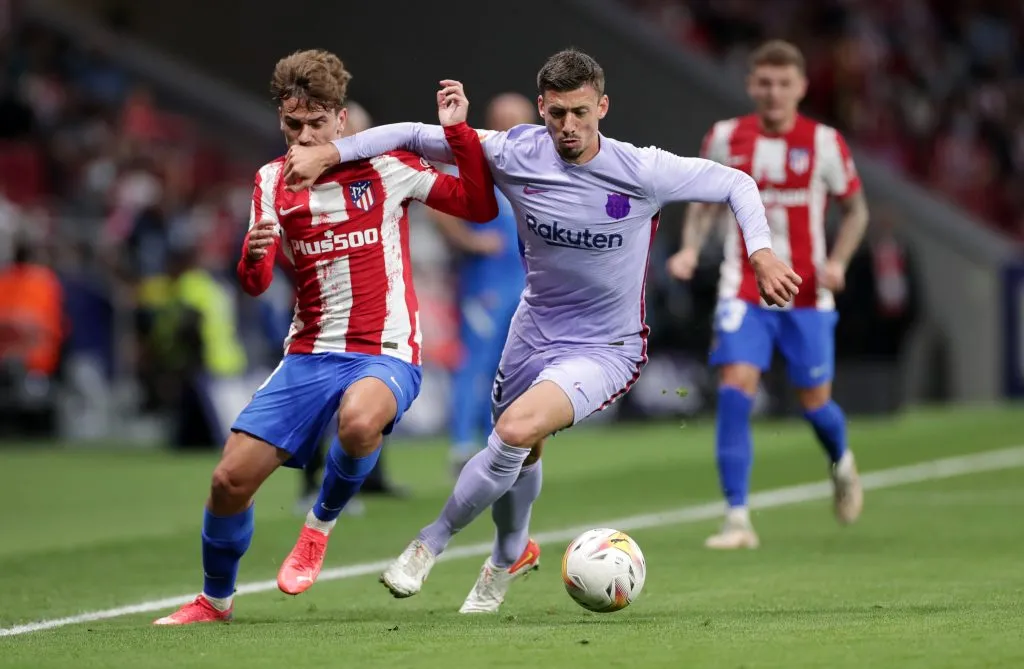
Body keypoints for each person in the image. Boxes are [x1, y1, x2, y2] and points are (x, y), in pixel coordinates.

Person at [283, 48, 799, 614]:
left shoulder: (642, 169)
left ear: (602, 106)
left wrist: (763, 253)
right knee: (521, 449)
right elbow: (409, 133)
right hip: (532, 329)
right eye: (556, 114)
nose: (568, 127)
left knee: (512, 430)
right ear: (541, 109)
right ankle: (510, 554)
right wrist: (333, 151)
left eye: (580, 112)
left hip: (605, 346)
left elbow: (738, 184)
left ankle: (427, 545)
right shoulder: (515, 150)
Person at [153, 48, 498, 625]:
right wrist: (253, 256)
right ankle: (215, 600)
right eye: (295, 125)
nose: (306, 135)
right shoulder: (271, 181)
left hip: (384, 350)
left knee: (361, 421)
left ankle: (319, 526)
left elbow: (479, 205)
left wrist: (457, 132)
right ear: (282, 122)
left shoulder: (387, 168)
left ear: (342, 120)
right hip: (309, 352)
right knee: (228, 481)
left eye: (318, 123)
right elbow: (255, 283)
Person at [666, 40, 869, 550]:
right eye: (765, 82)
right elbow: (703, 202)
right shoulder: (727, 137)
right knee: (736, 388)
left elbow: (857, 210)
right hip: (745, 288)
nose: (774, 92)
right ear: (751, 85)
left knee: (814, 402)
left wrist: (839, 262)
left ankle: (841, 462)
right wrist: (690, 248)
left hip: (807, 294)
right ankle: (737, 518)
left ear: (801, 87)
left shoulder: (824, 142)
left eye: (784, 83)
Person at [295, 99, 407, 515]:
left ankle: (372, 477)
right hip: (325, 314)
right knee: (325, 404)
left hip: (376, 311)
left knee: (375, 397)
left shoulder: (380, 178)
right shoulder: (308, 183)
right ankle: (311, 484)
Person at [425, 92, 534, 476]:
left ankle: (498, 440)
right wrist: (469, 241)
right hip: (484, 283)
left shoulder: (531, 167)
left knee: (512, 366)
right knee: (475, 362)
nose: (511, 126)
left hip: (523, 282)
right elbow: (436, 203)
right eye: (504, 118)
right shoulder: (476, 161)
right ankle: (461, 443)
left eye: (518, 119)